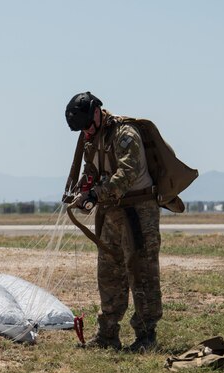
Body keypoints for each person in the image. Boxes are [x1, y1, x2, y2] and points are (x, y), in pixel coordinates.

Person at [64, 92, 162, 352]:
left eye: (87, 126)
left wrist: (96, 194)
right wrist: (83, 190)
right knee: (109, 271)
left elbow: (127, 173)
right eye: (82, 129)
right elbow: (92, 170)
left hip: (139, 210)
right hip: (112, 210)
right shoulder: (91, 138)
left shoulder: (125, 133)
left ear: (97, 113)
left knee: (142, 270)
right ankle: (107, 335)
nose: (85, 132)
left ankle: (146, 336)